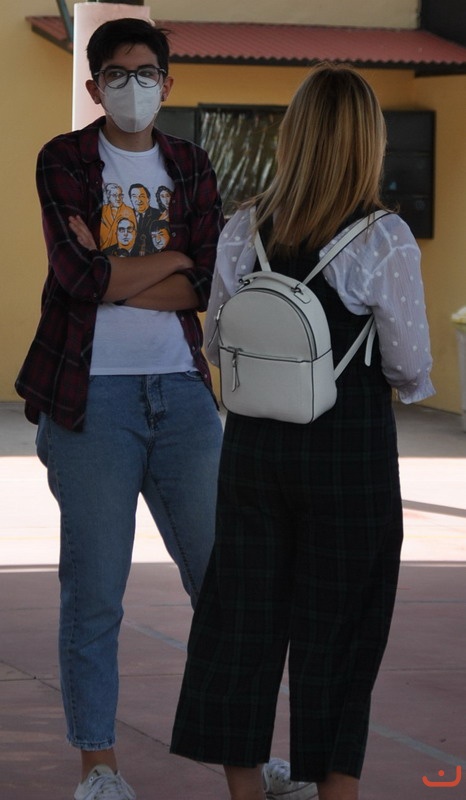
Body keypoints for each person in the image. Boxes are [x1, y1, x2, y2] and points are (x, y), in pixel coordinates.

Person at [15, 17, 314, 800]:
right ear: (94, 86)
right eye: (117, 74)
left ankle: (248, 761)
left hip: (183, 393)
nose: (133, 87)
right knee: (94, 592)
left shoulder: (191, 162)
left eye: (146, 73)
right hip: (89, 398)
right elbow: (77, 279)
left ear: (168, 83)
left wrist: (125, 267)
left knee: (225, 587)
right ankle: (99, 770)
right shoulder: (63, 159)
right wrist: (167, 259)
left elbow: (206, 282)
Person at [170, 63, 435, 800]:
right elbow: (410, 366)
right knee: (342, 630)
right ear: (367, 142)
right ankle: (334, 792)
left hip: (254, 449)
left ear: (293, 137)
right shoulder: (384, 239)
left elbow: (218, 346)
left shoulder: (243, 228)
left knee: (242, 621)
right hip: (348, 452)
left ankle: (244, 791)